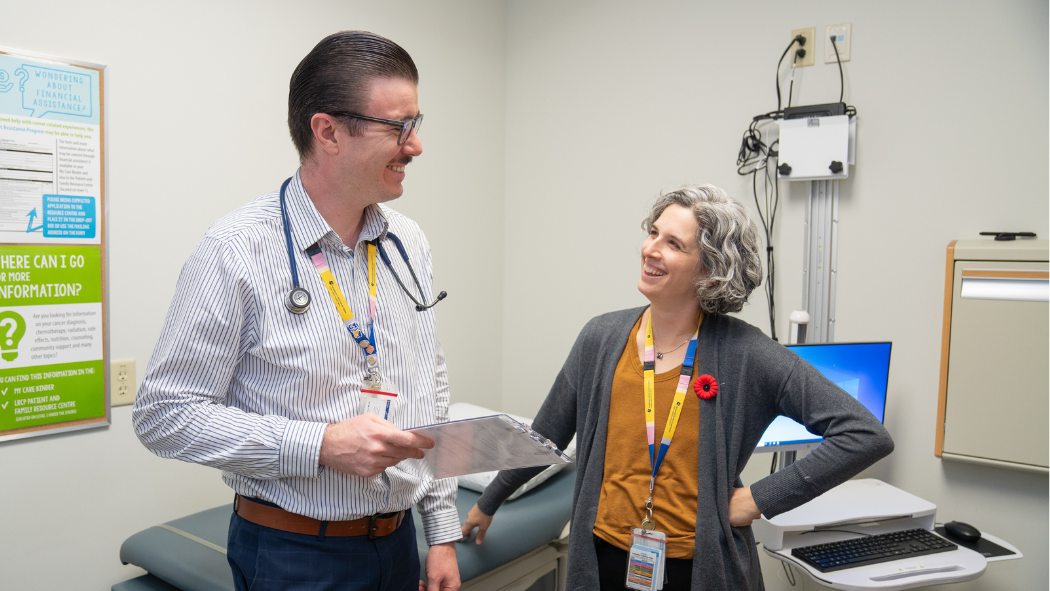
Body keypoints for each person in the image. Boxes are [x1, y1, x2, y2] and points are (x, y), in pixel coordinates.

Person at [133, 31, 461, 591]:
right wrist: (321, 445)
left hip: (398, 542)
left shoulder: (407, 243)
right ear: (327, 131)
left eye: (416, 123)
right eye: (397, 127)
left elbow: (429, 384)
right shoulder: (236, 250)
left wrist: (442, 531)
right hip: (296, 554)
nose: (415, 146)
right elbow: (165, 414)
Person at [460, 185, 894, 590]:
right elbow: (547, 434)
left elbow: (864, 434)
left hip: (700, 568)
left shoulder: (748, 353)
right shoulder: (601, 338)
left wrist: (758, 499)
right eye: (653, 233)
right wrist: (490, 501)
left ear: (710, 271)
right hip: (603, 557)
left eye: (673, 243)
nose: (650, 249)